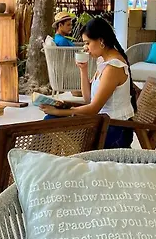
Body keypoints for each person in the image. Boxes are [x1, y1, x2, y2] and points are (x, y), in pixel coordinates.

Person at [40, 17, 137, 149]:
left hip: (115, 131)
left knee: (51, 121)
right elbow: (88, 99)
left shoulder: (113, 67)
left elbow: (93, 109)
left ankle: (36, 158)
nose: (85, 48)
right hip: (104, 124)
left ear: (101, 41)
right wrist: (83, 69)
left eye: (87, 43)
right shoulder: (104, 61)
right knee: (51, 120)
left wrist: (59, 112)